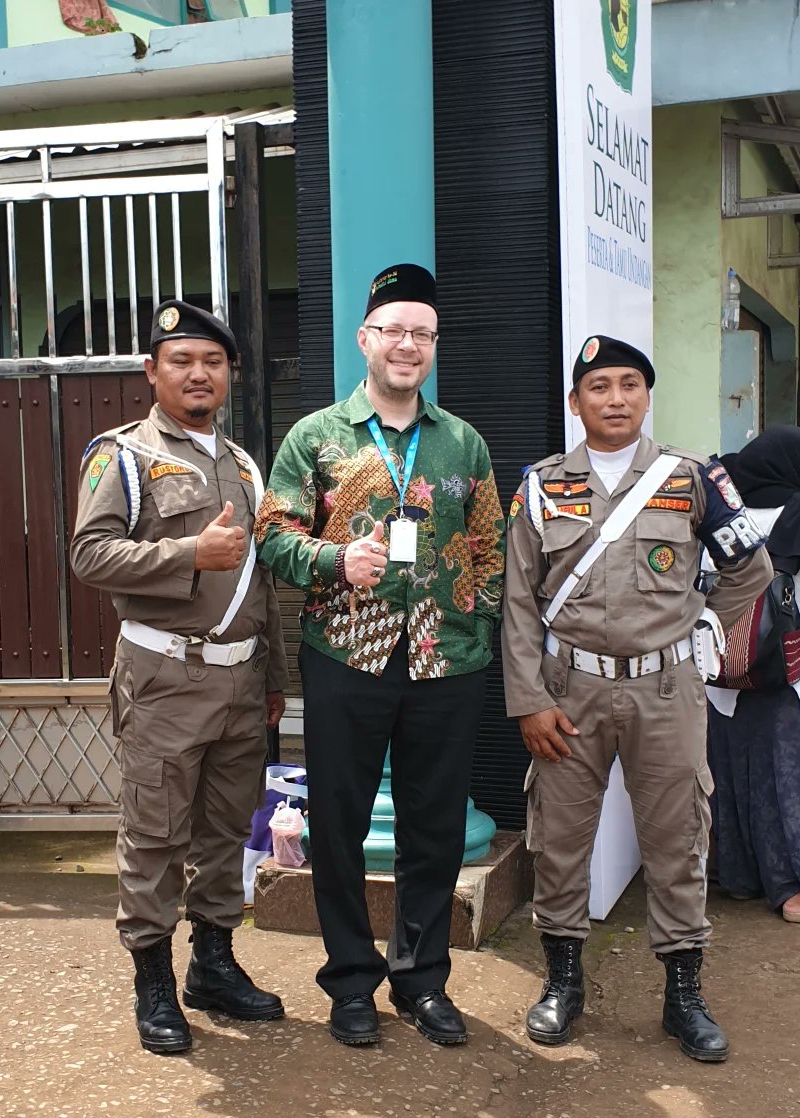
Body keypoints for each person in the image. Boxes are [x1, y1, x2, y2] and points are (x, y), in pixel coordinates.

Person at [501, 335, 773, 1063]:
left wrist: (707, 624)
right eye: (598, 387)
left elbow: (752, 567)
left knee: (679, 836)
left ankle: (683, 995)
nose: (615, 398)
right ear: (575, 401)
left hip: (666, 688)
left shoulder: (693, 479)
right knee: (559, 841)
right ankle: (562, 983)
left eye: (628, 384)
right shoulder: (542, 485)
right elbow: (519, 603)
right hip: (568, 693)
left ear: (646, 396)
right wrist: (528, 699)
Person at [255, 263, 505, 1047]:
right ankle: (350, 983)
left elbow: (492, 551)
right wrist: (335, 563)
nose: (407, 345)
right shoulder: (316, 437)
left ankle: (423, 983)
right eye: (393, 330)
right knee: (337, 824)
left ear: (434, 346)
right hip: (347, 657)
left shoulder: (462, 442)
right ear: (364, 339)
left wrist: (476, 632)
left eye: (421, 334)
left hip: (445, 663)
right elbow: (270, 534)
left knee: (433, 828)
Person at [70, 300, 289, 1055]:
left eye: (213, 361)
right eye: (182, 361)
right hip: (164, 677)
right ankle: (154, 982)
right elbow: (89, 555)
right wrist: (187, 554)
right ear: (152, 372)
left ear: (230, 372)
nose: (199, 374)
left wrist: (274, 679)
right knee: (157, 835)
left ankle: (215, 965)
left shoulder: (246, 464)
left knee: (226, 829)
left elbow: (259, 585)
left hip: (239, 682)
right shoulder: (123, 455)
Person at [706, 426, 800, 923]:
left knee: (730, 775)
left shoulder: (719, 516)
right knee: (787, 782)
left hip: (721, 672)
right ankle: (794, 890)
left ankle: (737, 877)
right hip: (789, 674)